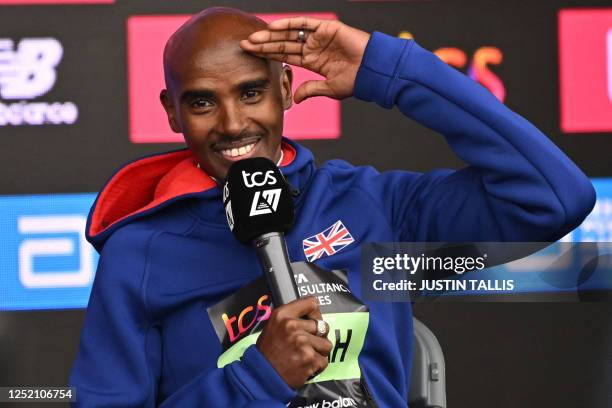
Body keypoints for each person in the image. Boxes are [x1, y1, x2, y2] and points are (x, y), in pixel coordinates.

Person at [69, 6, 595, 407]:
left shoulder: (372, 207)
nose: (231, 124)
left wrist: (389, 73)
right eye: (203, 101)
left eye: (251, 93)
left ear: (285, 87)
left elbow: (554, 199)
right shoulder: (139, 253)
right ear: (171, 112)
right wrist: (257, 378)